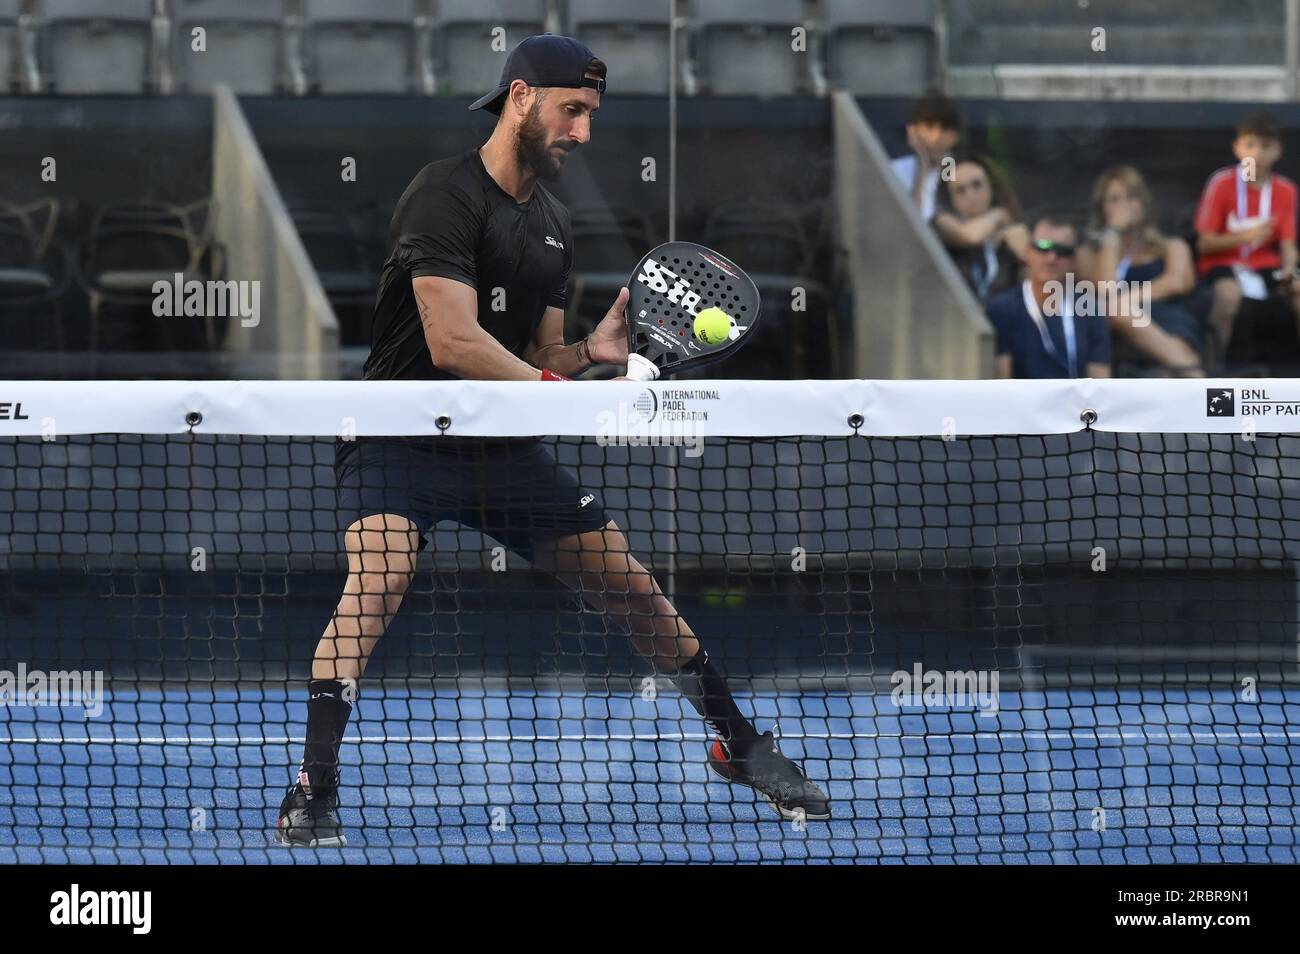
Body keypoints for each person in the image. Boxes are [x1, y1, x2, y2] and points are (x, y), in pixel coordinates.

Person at [274, 35, 830, 847]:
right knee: (380, 579)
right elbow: (454, 345)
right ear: (522, 97)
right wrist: (558, 394)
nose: (583, 133)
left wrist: (589, 357)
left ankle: (739, 745)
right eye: (573, 111)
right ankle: (312, 791)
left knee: (634, 591)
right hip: (401, 433)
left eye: (591, 116)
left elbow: (533, 361)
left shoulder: (554, 228)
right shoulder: (444, 195)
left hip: (498, 447)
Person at [1193, 111, 1300, 365]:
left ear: (1278, 150)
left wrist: (1289, 270)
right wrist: (1245, 236)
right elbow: (1204, 245)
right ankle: (1210, 370)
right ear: (1237, 148)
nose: (1258, 154)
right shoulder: (1221, 183)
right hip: (1223, 265)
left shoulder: (1286, 189)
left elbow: (1288, 244)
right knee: (1227, 295)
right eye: (1250, 145)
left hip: (1265, 265)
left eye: (1265, 146)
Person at [1076, 165, 1204, 376]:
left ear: (1143, 204)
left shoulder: (1171, 246)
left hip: (1168, 320)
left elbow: (1179, 281)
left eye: (1130, 198)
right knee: (1113, 310)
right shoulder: (1089, 253)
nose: (1123, 207)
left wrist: (1126, 302)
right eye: (1114, 200)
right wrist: (1112, 236)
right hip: (1116, 336)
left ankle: (1192, 377)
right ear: (1102, 208)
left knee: (1166, 376)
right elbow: (1106, 291)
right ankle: (1201, 379)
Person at [986, 213, 1112, 379]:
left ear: (1073, 261)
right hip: (1023, 403)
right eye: (1043, 247)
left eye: (1062, 251)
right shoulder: (1002, 309)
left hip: (1076, 404)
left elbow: (1100, 383)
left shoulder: (1089, 310)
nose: (1052, 258)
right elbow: (1002, 386)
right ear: (1027, 252)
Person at [932, 151, 1030, 304]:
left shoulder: (1012, 232)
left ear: (992, 187)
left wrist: (1026, 257)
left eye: (977, 185)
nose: (971, 195)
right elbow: (970, 236)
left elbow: (1034, 294)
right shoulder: (941, 224)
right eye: (960, 190)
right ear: (950, 198)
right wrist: (1000, 213)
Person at [890, 89, 962, 222]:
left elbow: (949, 212)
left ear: (955, 135)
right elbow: (911, 221)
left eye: (945, 129)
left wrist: (945, 162)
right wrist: (922, 168)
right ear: (912, 131)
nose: (937, 137)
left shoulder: (958, 168)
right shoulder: (895, 170)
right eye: (929, 127)